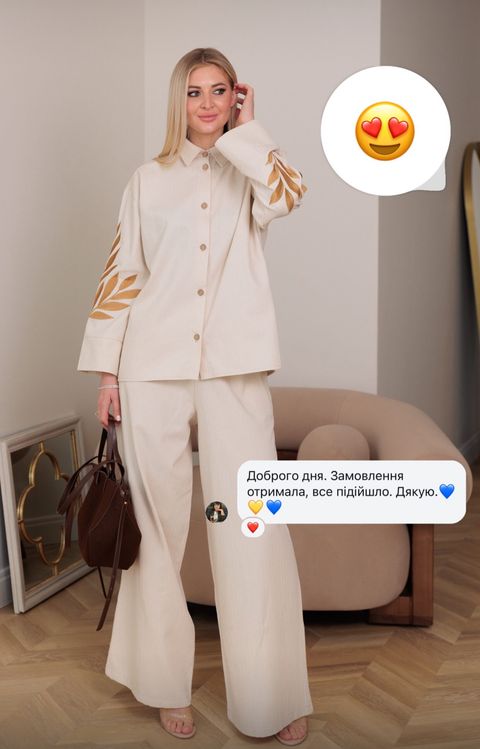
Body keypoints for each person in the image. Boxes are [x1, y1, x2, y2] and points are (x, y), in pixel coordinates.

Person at [77, 47, 313, 746]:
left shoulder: (251, 166)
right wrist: (108, 374)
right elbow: (123, 273)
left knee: (251, 523)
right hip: (150, 369)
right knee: (154, 528)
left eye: (219, 91)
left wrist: (250, 130)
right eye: (194, 92)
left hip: (235, 369)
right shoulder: (147, 180)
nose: (206, 104)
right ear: (177, 101)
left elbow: (289, 196)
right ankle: (163, 684)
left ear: (234, 98)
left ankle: (271, 693)